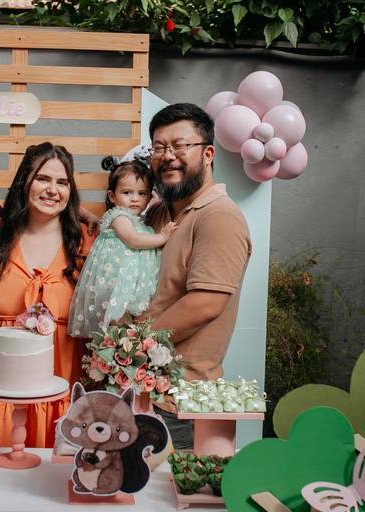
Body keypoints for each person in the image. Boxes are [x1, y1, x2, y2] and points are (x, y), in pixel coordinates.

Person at [0, 142, 95, 448]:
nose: (52, 190)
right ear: (25, 182)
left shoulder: (86, 242)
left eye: (62, 182)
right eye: (43, 179)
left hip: (63, 370)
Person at [143, 103, 252, 448]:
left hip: (180, 406)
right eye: (159, 147)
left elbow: (206, 303)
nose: (167, 156)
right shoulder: (159, 214)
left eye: (180, 146)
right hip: (141, 392)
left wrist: (129, 345)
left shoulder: (219, 216)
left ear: (207, 154)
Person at [68, 159, 176, 338]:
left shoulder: (138, 221)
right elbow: (133, 240)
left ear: (150, 197)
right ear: (112, 196)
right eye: (127, 192)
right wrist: (163, 237)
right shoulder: (119, 217)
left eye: (142, 193)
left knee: (129, 326)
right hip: (117, 283)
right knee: (118, 321)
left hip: (130, 284)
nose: (135, 198)